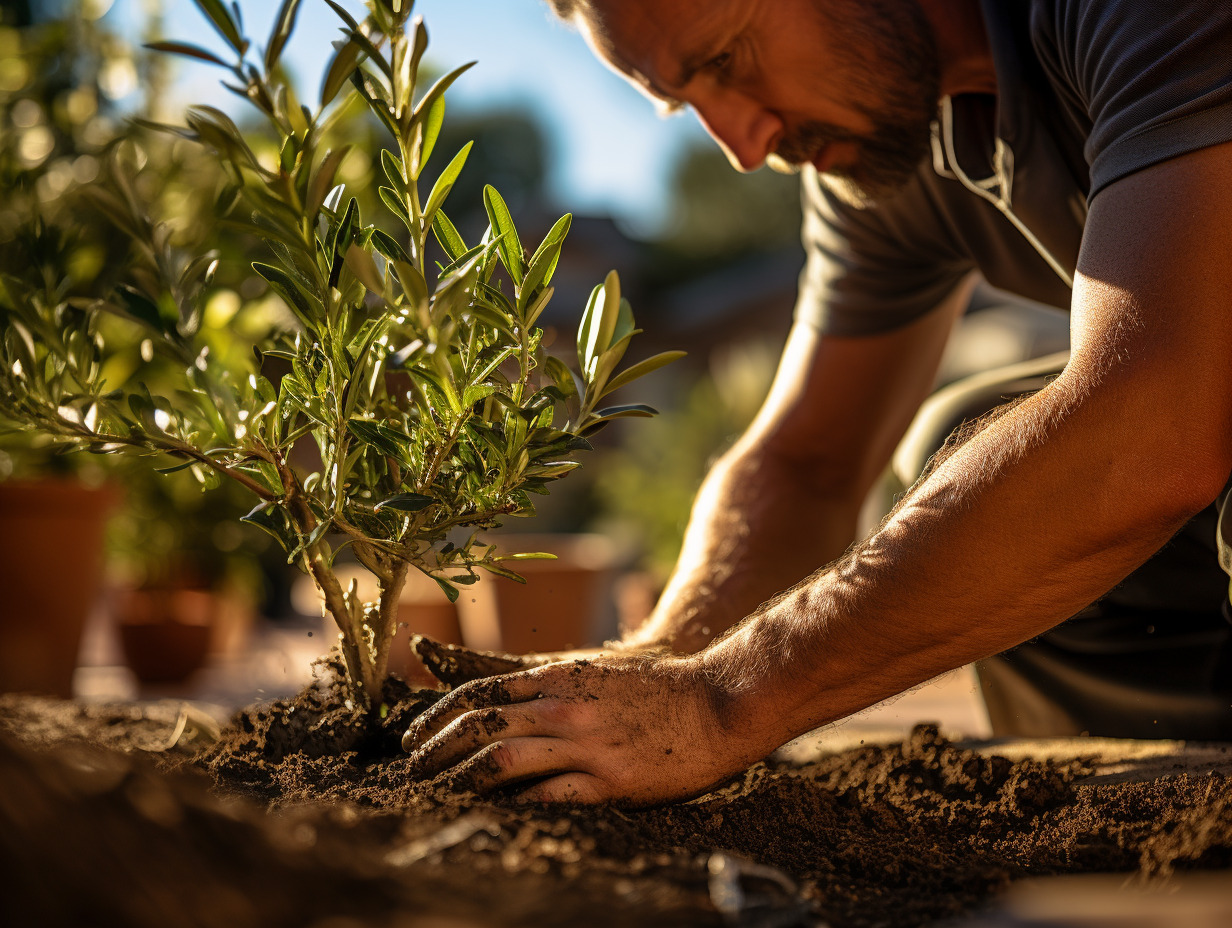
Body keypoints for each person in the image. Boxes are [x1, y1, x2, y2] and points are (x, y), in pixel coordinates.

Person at [400, 0, 1232, 804]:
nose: (744, 147)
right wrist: (664, 659)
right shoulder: (885, 146)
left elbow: (1152, 417)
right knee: (954, 449)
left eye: (725, 59)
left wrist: (726, 698)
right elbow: (807, 462)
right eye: (686, 104)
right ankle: (1184, 802)